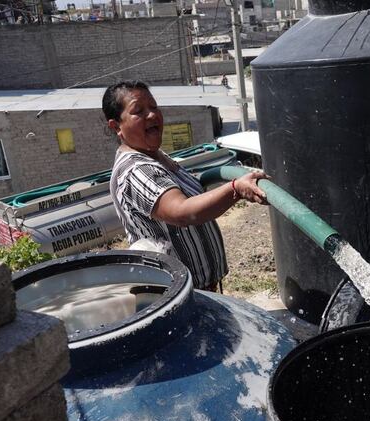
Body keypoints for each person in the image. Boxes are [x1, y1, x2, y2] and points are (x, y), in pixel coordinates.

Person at [103, 81, 268, 291]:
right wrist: (236, 189)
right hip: (180, 296)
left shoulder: (156, 157)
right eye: (139, 111)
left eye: (154, 107)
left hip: (198, 290)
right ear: (116, 126)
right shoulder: (136, 170)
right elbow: (181, 212)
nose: (152, 115)